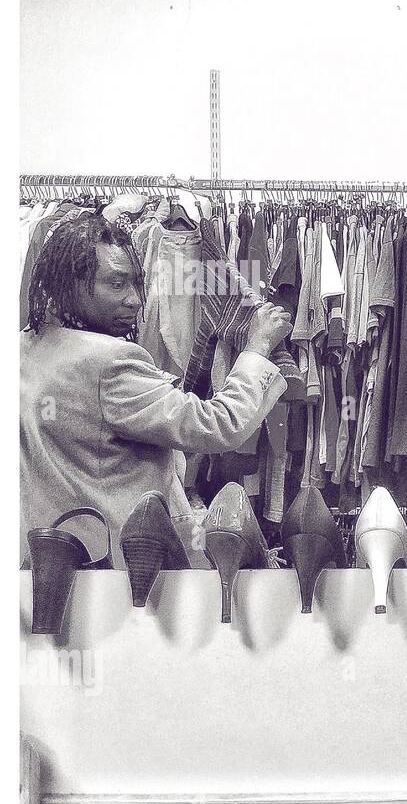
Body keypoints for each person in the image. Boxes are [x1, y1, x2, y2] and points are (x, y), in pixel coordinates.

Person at [20, 212, 292, 567]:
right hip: (120, 570)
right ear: (69, 284)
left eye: (137, 284)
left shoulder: (21, 348)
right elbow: (218, 425)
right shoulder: (111, 361)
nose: (134, 300)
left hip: (41, 566)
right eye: (116, 284)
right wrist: (257, 347)